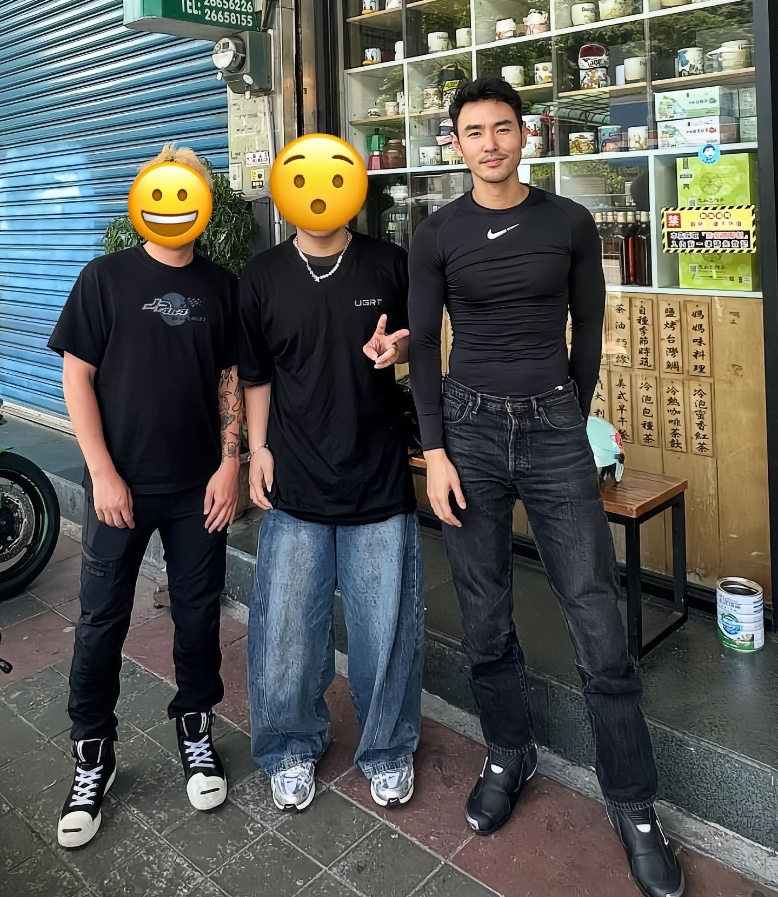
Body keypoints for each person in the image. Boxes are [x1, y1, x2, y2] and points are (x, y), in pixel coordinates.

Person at [408, 79, 683, 897]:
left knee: (595, 615)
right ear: (456, 143)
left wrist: (572, 410)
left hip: (555, 424)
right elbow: (422, 343)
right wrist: (436, 450)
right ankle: (508, 751)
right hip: (468, 431)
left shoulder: (567, 221)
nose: (490, 143)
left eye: (503, 128)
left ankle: (632, 801)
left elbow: (588, 325)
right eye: (473, 131)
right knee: (484, 609)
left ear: (525, 134)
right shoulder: (437, 232)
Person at [49, 145, 242, 849]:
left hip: (198, 490)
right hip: (119, 489)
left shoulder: (221, 286)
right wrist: (101, 471)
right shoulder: (104, 278)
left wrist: (231, 463)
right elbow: (76, 377)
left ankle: (196, 727)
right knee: (101, 621)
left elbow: (229, 378)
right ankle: (92, 753)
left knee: (197, 617)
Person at [239, 210, 424, 813]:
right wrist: (258, 449)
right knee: (287, 629)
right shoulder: (263, 274)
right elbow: (257, 374)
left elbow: (421, 338)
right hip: (294, 481)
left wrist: (398, 347)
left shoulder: (389, 263)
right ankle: (291, 745)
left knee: (387, 629)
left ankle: (388, 748)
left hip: (378, 477)